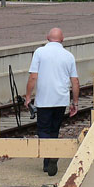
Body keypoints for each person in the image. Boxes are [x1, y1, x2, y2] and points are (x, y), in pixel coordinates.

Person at [24, 27, 80, 176]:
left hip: (44, 100)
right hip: (61, 100)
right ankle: (48, 162)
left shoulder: (39, 52)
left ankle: (49, 158)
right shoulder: (68, 56)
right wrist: (75, 102)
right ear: (62, 40)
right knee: (54, 130)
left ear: (47, 38)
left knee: (43, 130)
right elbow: (75, 81)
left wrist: (28, 96)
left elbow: (33, 77)